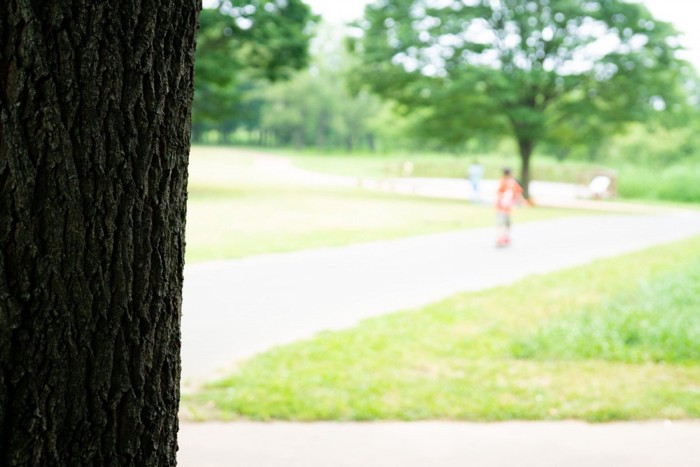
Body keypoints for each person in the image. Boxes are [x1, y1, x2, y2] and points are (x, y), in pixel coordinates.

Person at [495, 167, 523, 247]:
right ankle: (505, 236)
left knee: (501, 223)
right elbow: (518, 192)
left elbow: (498, 192)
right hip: (506, 207)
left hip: (501, 206)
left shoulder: (502, 181)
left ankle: (501, 237)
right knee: (506, 223)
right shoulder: (512, 182)